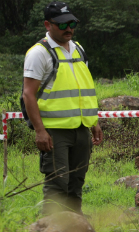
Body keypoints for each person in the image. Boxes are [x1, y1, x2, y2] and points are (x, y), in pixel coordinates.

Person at [22, 2, 102, 216]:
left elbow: (82, 89)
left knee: (76, 184)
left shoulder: (78, 49)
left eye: (73, 23)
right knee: (57, 185)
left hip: (81, 128)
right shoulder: (39, 53)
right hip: (54, 132)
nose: (69, 28)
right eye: (63, 24)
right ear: (48, 25)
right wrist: (40, 131)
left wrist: (94, 122)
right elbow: (28, 94)